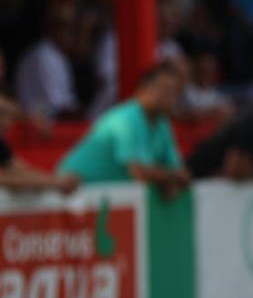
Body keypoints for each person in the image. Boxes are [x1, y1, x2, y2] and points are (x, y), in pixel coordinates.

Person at [57, 62, 188, 198]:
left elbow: (180, 171)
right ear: (144, 89)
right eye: (165, 89)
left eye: (175, 91)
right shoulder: (126, 119)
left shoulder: (162, 123)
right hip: (73, 190)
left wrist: (171, 179)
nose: (172, 97)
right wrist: (170, 177)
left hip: (106, 196)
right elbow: (139, 172)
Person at [15, 9, 80, 119]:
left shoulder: (58, 55)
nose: (72, 36)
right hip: (36, 128)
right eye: (68, 29)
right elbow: (59, 108)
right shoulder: (43, 56)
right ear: (53, 30)